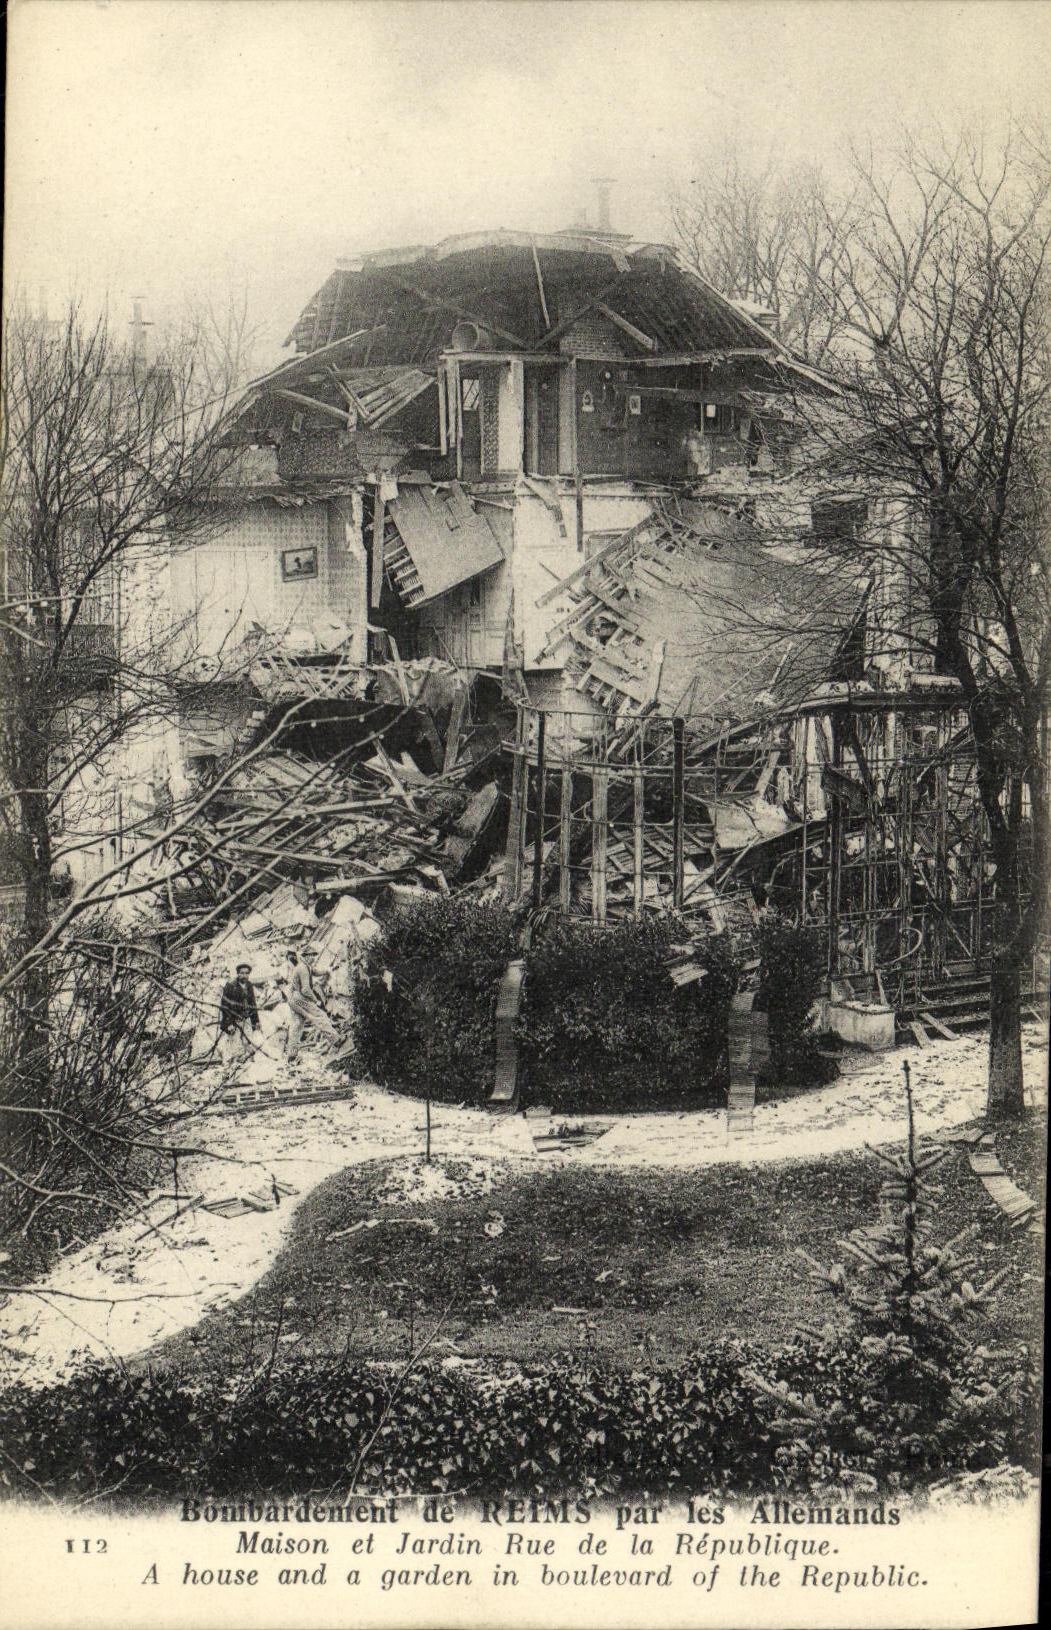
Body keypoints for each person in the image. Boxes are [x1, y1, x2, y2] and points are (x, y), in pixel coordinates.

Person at [285, 947, 339, 1062]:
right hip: (300, 997)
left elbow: (316, 972)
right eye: (311, 955)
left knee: (297, 1025)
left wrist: (327, 970)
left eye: (314, 955)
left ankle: (292, 1054)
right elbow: (306, 990)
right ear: (304, 956)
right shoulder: (303, 968)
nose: (313, 958)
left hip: (293, 999)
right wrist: (316, 1000)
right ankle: (336, 1040)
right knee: (320, 1016)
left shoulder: (305, 966)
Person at [218, 963, 260, 1071]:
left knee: (248, 1041)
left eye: (246, 973)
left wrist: (256, 1021)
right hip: (234, 1019)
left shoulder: (249, 985)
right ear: (237, 974)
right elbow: (224, 1006)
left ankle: (247, 1064)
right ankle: (229, 1065)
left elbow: (253, 1003)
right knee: (234, 1043)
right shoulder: (230, 986)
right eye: (242, 973)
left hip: (246, 1018)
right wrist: (229, 1023)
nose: (244, 976)